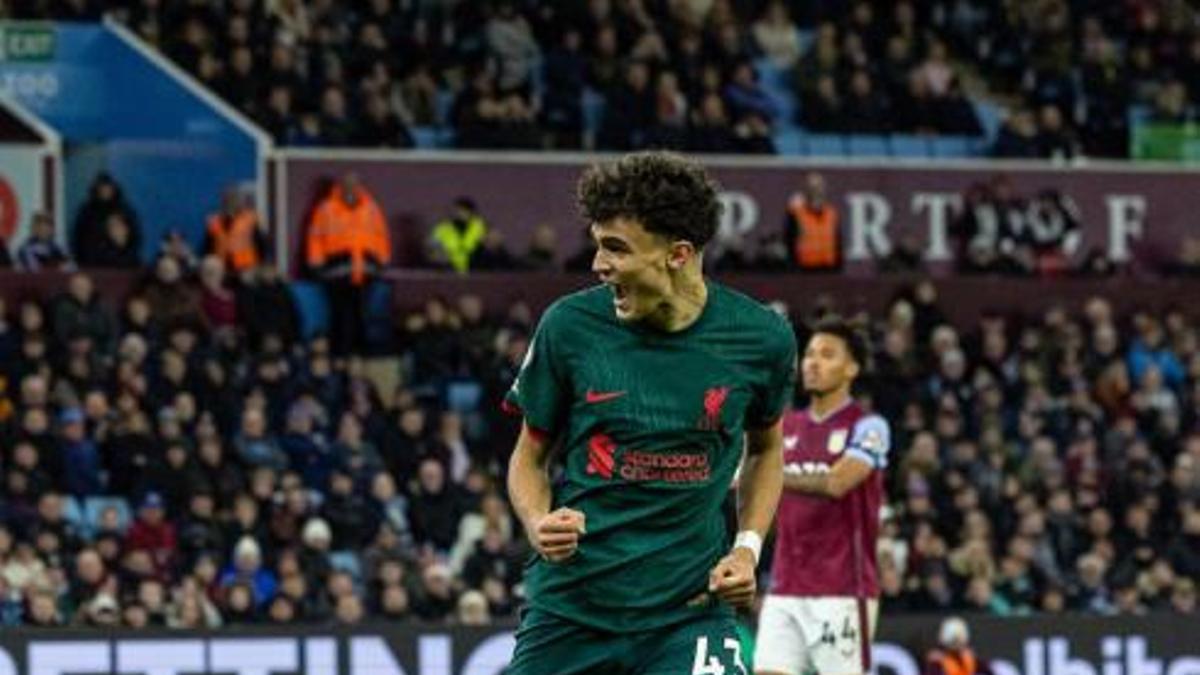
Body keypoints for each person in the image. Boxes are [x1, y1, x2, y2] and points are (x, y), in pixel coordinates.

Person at [504, 151, 797, 675]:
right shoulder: (568, 327)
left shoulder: (761, 339)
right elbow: (528, 457)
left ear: (678, 254)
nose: (598, 265)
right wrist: (538, 520)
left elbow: (767, 449)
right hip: (572, 610)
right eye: (597, 246)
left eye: (615, 249)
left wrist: (747, 549)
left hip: (688, 615)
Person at [755, 316, 891, 675]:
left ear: (852, 368)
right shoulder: (785, 427)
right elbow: (770, 513)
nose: (813, 362)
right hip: (785, 586)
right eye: (810, 354)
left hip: (843, 591)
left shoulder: (869, 426)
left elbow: (836, 483)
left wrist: (766, 475)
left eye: (828, 354)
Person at [305, 173, 391, 356]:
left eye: (354, 185)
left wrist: (382, 262)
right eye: (347, 185)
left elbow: (381, 235)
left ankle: (360, 359)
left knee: (363, 316)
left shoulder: (371, 207)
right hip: (336, 272)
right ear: (340, 186)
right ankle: (340, 357)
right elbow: (315, 238)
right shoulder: (326, 208)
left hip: (366, 271)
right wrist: (316, 265)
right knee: (340, 317)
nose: (351, 189)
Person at [784, 173, 841, 271]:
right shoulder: (796, 214)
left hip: (828, 270)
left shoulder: (831, 213)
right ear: (806, 190)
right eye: (812, 187)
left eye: (819, 187)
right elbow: (789, 242)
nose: (816, 191)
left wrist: (838, 267)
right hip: (804, 270)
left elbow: (838, 244)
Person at [203, 187, 267, 275]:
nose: (230, 201)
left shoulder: (250, 219)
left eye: (233, 198)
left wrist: (260, 266)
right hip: (222, 270)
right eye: (226, 198)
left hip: (246, 269)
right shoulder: (215, 221)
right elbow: (208, 247)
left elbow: (261, 245)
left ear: (239, 200)